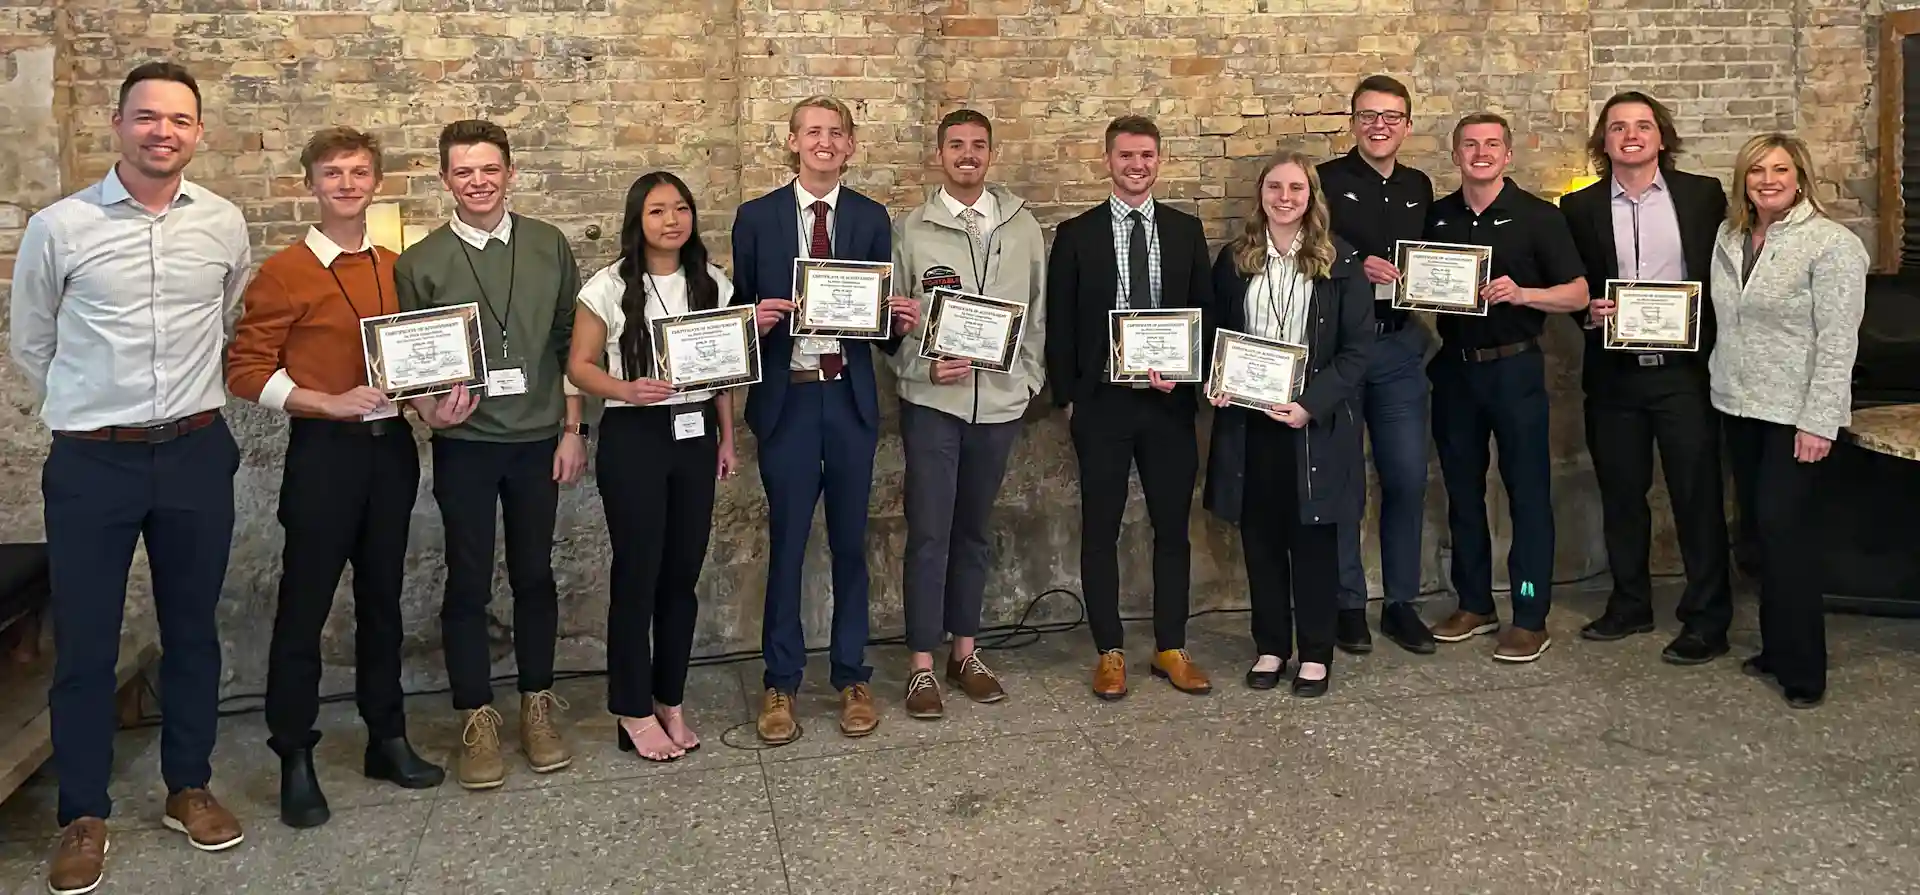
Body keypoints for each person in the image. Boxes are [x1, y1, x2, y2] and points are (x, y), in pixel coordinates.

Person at [10, 61, 251, 894]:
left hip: (192, 450)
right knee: (84, 639)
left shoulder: (222, 223)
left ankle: (188, 784)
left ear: (199, 132)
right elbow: (32, 340)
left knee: (193, 627)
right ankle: (84, 810)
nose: (163, 132)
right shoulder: (59, 227)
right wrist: (90, 408)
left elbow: (223, 319)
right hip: (92, 460)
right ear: (118, 125)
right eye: (147, 117)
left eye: (179, 119)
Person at [226, 126, 445, 829]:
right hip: (323, 454)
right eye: (332, 173)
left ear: (376, 182)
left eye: (358, 172)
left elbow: (412, 361)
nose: (346, 183)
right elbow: (244, 370)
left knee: (384, 600)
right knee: (304, 609)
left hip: (391, 454)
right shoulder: (283, 272)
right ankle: (294, 754)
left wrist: (435, 396)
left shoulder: (396, 265)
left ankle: (387, 737)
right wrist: (326, 401)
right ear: (310, 185)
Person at [395, 119, 587, 788]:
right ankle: (476, 716)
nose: (478, 181)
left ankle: (537, 703)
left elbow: (570, 342)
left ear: (510, 172)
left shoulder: (549, 245)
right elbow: (407, 362)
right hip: (466, 445)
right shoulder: (418, 261)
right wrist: (426, 409)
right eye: (463, 171)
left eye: (489, 169)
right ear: (445, 179)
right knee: (468, 581)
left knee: (535, 573)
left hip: (538, 439)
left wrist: (572, 429)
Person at [731, 96, 920, 743]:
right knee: (787, 542)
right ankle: (780, 683)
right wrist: (752, 323)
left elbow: (877, 324)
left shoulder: (869, 217)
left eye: (835, 133)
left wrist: (897, 323)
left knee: (849, 543)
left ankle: (851, 674)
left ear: (850, 145)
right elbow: (735, 316)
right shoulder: (755, 218)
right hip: (787, 400)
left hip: (848, 400)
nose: (823, 142)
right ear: (791, 142)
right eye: (812, 132)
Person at [566, 172, 739, 760]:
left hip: (694, 435)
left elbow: (723, 368)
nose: (672, 220)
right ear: (637, 221)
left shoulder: (712, 282)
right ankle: (632, 708)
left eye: (682, 209)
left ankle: (670, 696)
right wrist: (624, 388)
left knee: (681, 576)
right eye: (658, 210)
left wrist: (727, 438)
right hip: (635, 433)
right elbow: (578, 366)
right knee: (637, 574)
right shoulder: (608, 287)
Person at [1560, 92, 1735, 665]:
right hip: (1614, 377)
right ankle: (1630, 603)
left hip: (1684, 374)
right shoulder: (1578, 206)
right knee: (1621, 495)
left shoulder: (1703, 196)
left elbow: (1727, 275)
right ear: (1603, 141)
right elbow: (1574, 285)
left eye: (1642, 126)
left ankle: (1708, 618)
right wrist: (1587, 312)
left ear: (1662, 136)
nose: (1630, 136)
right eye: (1617, 127)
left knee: (1696, 495)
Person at [1045, 114, 1215, 700]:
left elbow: (1205, 315)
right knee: (1101, 528)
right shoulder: (1076, 233)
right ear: (1108, 161)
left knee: (1173, 529)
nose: (1136, 166)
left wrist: (1188, 377)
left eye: (1145, 155)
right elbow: (1059, 323)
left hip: (1168, 407)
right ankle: (1109, 650)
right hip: (1102, 406)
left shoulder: (1186, 230)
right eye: (1125, 156)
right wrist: (1068, 398)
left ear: (1158, 160)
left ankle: (1171, 645)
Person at [887, 109, 1048, 719]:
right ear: (939, 154)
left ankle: (966, 651)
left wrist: (1027, 381)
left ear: (991, 153)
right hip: (934, 405)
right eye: (956, 145)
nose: (967, 155)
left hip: (999, 406)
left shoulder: (1023, 227)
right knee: (929, 533)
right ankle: (922, 665)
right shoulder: (912, 229)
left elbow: (1036, 312)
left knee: (975, 533)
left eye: (978, 145)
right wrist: (922, 368)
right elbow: (894, 320)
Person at [1202, 150, 1375, 697]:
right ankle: (1272, 646)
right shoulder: (1234, 260)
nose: (1284, 197)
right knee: (1262, 541)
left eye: (1296, 188)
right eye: (1275, 187)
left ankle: (1316, 653)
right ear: (1260, 194)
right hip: (1250, 425)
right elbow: (1215, 334)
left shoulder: (1340, 263)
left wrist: (1310, 404)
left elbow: (1357, 352)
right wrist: (1218, 380)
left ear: (1311, 197)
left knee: (1314, 542)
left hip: (1311, 426)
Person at [1707, 132, 1868, 708]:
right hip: (1737, 406)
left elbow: (1837, 342)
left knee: (1788, 538)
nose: (1767, 180)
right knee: (1756, 534)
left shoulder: (1832, 246)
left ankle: (1804, 670)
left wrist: (1820, 422)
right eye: (1756, 171)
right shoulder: (1730, 236)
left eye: (1779, 170)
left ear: (1800, 177)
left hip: (1794, 416)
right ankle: (1775, 648)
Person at [1423, 113, 1589, 663]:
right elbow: (1419, 285)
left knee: (1526, 492)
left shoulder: (1539, 216)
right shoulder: (1437, 216)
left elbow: (1578, 294)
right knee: (1463, 491)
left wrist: (1523, 295)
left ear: (1508, 155)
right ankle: (1474, 603)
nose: (1481, 153)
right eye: (1470, 145)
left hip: (1515, 368)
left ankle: (1528, 612)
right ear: (1455, 155)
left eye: (1492, 144)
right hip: (1454, 368)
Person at [1316, 75, 1439, 655]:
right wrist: (1351, 262)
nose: (1380, 125)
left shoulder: (1420, 185)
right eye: (1368, 115)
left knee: (1407, 476)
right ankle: (1346, 604)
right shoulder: (1325, 180)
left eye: (1391, 116)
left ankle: (1401, 603)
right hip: (1342, 353)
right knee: (1344, 483)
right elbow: (1306, 246)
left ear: (1407, 125)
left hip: (1399, 350)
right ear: (1353, 122)